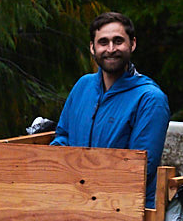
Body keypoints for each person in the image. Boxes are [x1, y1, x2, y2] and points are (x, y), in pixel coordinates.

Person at [49, 11, 171, 199]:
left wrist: (85, 185)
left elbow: (140, 168)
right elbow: (63, 136)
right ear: (92, 47)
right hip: (76, 200)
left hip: (127, 208)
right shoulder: (83, 86)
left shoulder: (149, 99)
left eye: (118, 41)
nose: (111, 49)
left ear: (133, 44)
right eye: (103, 42)